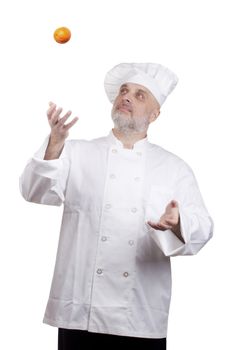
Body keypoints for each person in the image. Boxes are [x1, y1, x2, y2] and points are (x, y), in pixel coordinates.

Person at [19, 63, 214, 350]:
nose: (127, 96)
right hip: (81, 311)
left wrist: (179, 221)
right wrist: (54, 144)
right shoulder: (76, 151)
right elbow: (33, 190)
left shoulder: (174, 167)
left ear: (154, 114)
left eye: (139, 95)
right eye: (124, 91)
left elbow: (204, 228)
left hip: (139, 314)